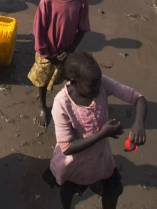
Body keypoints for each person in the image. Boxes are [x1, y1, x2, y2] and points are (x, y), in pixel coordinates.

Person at [45, 52, 147, 209]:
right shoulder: (62, 104)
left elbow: (137, 97)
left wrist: (139, 123)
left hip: (100, 159)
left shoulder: (100, 84)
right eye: (93, 86)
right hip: (73, 164)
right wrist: (103, 134)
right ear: (74, 82)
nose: (99, 88)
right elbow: (67, 147)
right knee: (67, 190)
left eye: (99, 82)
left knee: (114, 190)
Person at [28, 0, 89, 128]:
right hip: (47, 51)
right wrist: (47, 53)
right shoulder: (48, 0)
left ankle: (66, 105)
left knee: (69, 79)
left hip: (67, 51)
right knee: (42, 81)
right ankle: (42, 105)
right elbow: (38, 29)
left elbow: (82, 29)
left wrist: (70, 51)